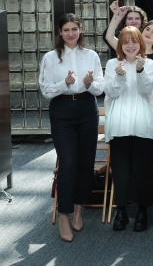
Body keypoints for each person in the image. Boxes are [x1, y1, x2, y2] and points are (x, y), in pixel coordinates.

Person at [39, 14, 104, 242]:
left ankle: (78, 210)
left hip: (87, 108)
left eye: (74, 29)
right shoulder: (50, 57)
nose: (70, 34)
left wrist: (89, 84)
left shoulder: (91, 55)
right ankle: (63, 216)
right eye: (66, 30)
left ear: (80, 29)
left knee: (86, 162)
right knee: (68, 164)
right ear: (59, 32)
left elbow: (99, 87)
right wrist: (63, 84)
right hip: (62, 111)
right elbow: (46, 91)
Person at [104, 27, 153, 232]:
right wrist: (118, 77)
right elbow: (109, 91)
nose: (130, 46)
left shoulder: (150, 64)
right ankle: (121, 210)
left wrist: (140, 71)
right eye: (125, 42)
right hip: (119, 122)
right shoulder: (112, 64)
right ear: (120, 46)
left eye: (134, 42)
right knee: (120, 169)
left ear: (140, 44)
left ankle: (143, 210)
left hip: (142, 121)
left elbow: (148, 90)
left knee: (143, 169)